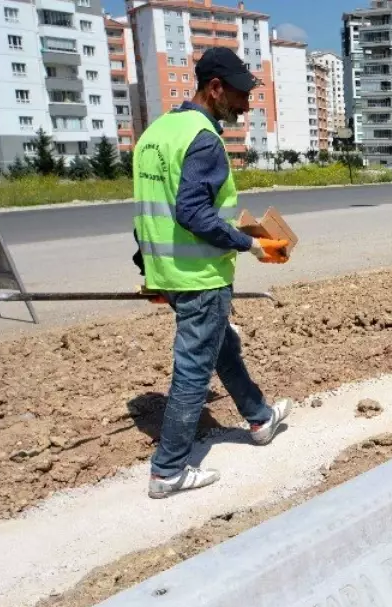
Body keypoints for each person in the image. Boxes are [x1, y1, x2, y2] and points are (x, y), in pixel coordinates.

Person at [133, 47, 293, 499]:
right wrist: (251, 242)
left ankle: (259, 419)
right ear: (215, 88)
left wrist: (152, 273)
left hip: (173, 272)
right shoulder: (204, 138)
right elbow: (191, 213)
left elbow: (148, 212)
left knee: (223, 348)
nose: (246, 106)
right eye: (241, 96)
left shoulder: (156, 134)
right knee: (192, 372)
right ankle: (168, 472)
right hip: (201, 276)